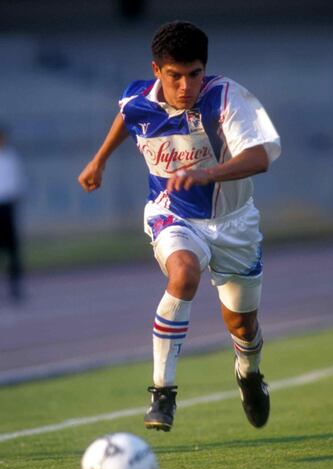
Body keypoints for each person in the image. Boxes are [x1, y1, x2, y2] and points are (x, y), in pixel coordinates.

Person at [78, 21, 281, 432]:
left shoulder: (225, 97)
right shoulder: (138, 97)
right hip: (174, 214)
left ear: (203, 69)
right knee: (184, 271)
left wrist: (209, 174)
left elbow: (259, 157)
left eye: (194, 74)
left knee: (243, 325)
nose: (186, 85)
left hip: (234, 223)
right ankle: (162, 392)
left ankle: (248, 372)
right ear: (157, 71)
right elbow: (126, 116)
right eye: (175, 76)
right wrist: (99, 160)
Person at [0, 125, 26, 302]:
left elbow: (18, 182)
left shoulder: (11, 157)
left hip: (8, 207)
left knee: (12, 250)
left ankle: (15, 287)